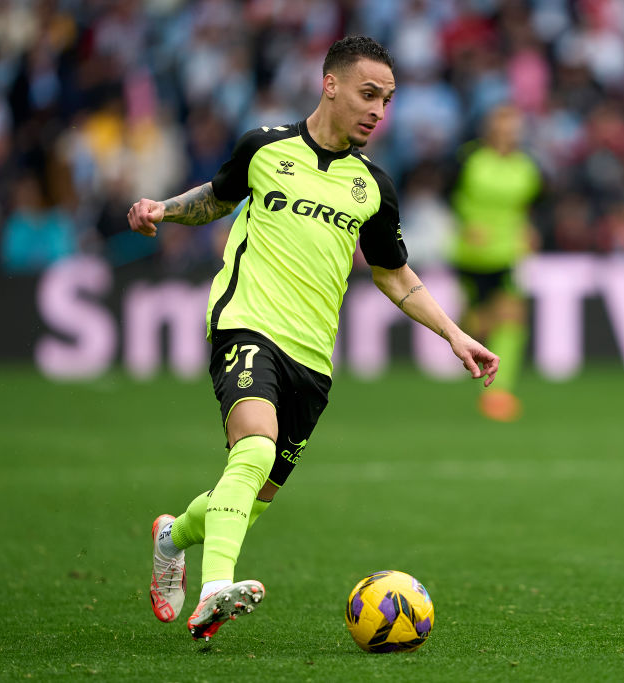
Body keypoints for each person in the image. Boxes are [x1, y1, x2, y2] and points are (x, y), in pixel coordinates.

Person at [127, 36, 499, 642]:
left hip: (312, 358)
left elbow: (393, 273)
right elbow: (215, 201)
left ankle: (173, 537)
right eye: (368, 94)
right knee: (253, 447)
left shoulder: (374, 186)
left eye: (388, 100)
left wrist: (455, 334)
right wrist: (162, 210)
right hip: (244, 321)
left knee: (253, 496)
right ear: (331, 85)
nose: (379, 110)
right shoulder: (264, 147)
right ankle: (216, 586)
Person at [449, 104, 542, 421]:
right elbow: (449, 195)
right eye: (502, 126)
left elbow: (534, 204)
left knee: (513, 315)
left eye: (513, 127)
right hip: (472, 253)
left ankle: (500, 391)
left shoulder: (526, 166)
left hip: (508, 253)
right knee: (480, 323)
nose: (508, 133)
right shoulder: (469, 159)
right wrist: (465, 222)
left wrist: (530, 229)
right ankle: (478, 365)